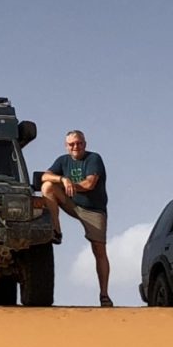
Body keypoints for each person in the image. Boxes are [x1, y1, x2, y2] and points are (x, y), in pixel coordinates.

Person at [39, 131, 111, 307]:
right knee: (47, 187)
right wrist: (63, 179)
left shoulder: (94, 158)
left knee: (99, 251)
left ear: (84, 144)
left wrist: (73, 185)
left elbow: (89, 184)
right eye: (71, 144)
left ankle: (104, 294)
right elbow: (44, 176)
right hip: (71, 203)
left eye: (78, 143)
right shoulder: (63, 160)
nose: (75, 147)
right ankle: (56, 229)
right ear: (66, 146)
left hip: (93, 209)